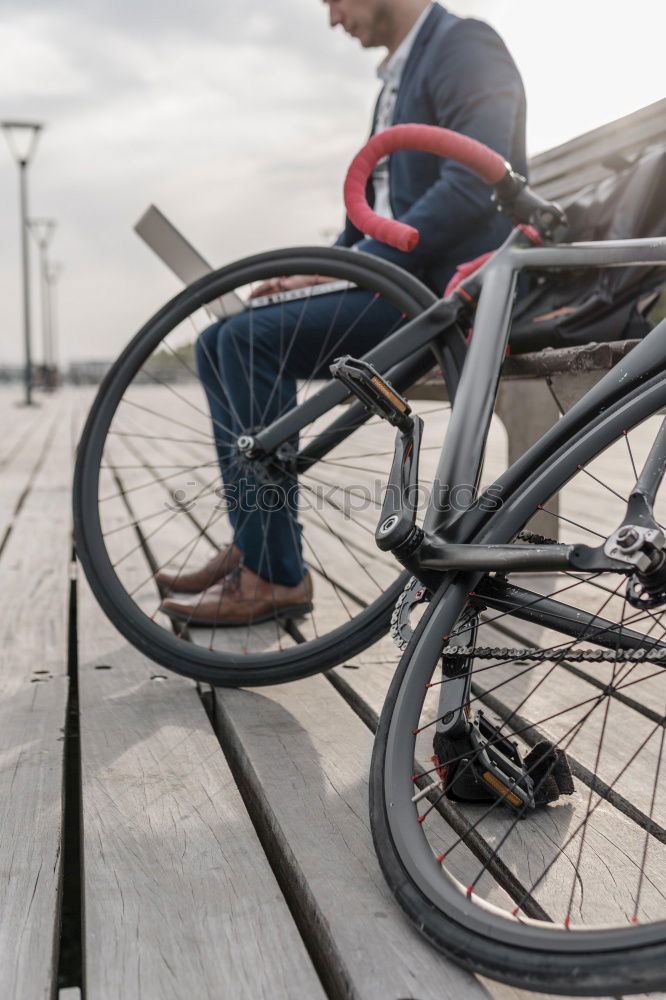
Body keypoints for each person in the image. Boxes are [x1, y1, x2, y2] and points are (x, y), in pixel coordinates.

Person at [159, 0, 527, 626]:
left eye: (334, 0)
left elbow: (472, 188)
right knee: (218, 340)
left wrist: (349, 268)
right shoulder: (399, 74)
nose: (332, 18)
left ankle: (274, 574)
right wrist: (316, 270)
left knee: (247, 342)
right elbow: (374, 216)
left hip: (444, 299)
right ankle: (258, 543)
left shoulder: (465, 46)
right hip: (398, 284)